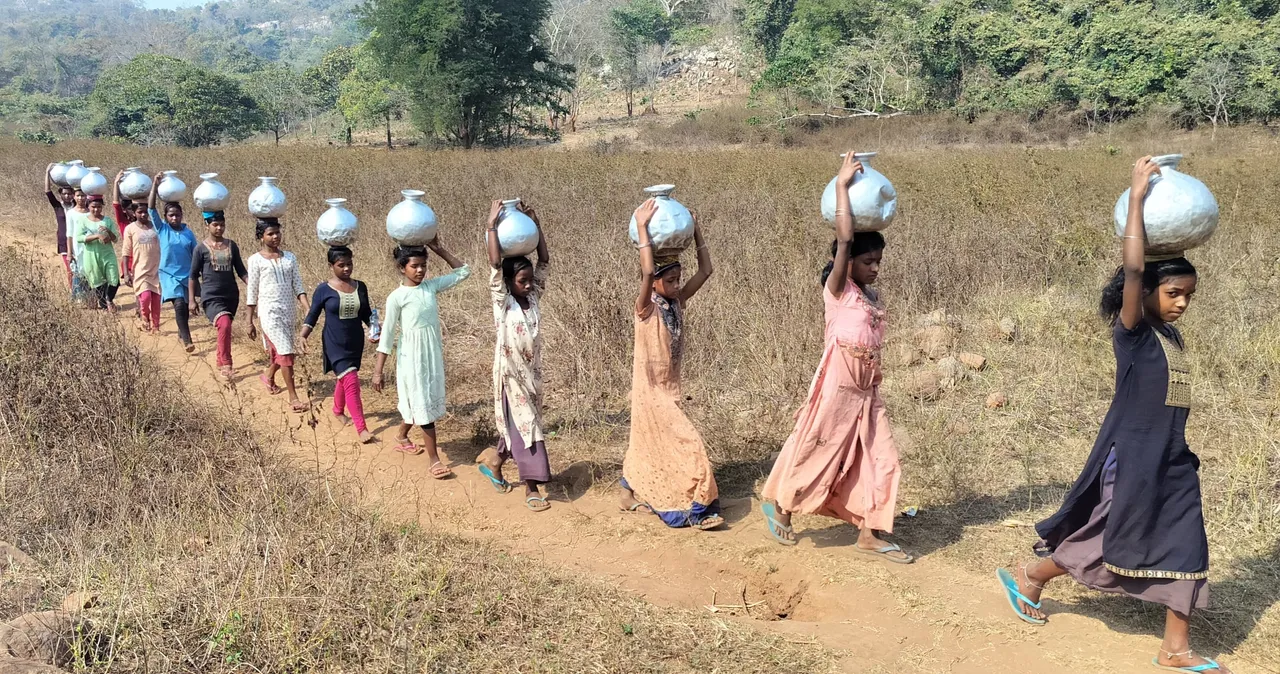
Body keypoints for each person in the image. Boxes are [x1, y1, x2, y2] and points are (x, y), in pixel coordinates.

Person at [996, 156, 1226, 674]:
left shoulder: (1171, 337)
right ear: (1142, 294)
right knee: (1106, 539)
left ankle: (1175, 649)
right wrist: (1139, 198)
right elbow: (1136, 266)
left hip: (1171, 462)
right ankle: (1032, 576)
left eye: (1189, 295)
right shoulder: (1135, 334)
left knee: (1187, 541)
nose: (1182, 304)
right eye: (1173, 294)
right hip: (1132, 463)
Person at [759, 152, 912, 562]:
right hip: (839, 384)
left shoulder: (870, 296)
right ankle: (783, 507)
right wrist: (843, 186)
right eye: (868, 261)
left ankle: (869, 532)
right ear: (845, 265)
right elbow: (845, 239)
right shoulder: (838, 290)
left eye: (878, 260)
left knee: (883, 457)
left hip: (867, 388)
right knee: (820, 447)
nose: (875, 267)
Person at [618, 199, 723, 530]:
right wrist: (642, 228)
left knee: (651, 443)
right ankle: (696, 509)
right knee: (688, 443)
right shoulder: (646, 307)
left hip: (669, 387)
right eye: (673, 280)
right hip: (651, 389)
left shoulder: (676, 302)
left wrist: (697, 232)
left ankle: (629, 492)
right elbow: (648, 271)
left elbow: (706, 271)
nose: (678, 285)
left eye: (679, 279)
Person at [476, 200, 553, 512]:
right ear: (508, 283)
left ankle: (494, 463)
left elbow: (545, 260)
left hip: (531, 373)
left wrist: (536, 223)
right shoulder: (503, 302)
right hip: (509, 375)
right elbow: (495, 266)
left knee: (517, 425)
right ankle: (531, 486)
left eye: (530, 279)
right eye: (522, 281)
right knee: (527, 427)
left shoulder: (532, 297)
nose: (528, 283)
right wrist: (492, 226)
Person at [372, 239, 470, 478]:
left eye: (423, 265)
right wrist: (378, 370)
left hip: (431, 355)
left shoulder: (431, 287)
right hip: (411, 358)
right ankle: (434, 460)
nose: (420, 270)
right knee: (422, 404)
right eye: (414, 266)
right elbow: (386, 336)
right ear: (401, 267)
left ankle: (401, 435)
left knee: (422, 400)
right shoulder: (397, 297)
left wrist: (439, 249)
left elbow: (464, 271)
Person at [301, 246, 375, 440]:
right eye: (341, 265)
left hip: (355, 341)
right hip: (334, 342)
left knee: (345, 376)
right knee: (351, 380)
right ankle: (362, 428)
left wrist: (376, 330)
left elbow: (366, 314)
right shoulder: (323, 289)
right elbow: (313, 314)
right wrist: (303, 335)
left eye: (349, 264)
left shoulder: (361, 286)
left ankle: (337, 409)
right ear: (331, 266)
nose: (346, 269)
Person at [245, 219, 309, 412]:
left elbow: (298, 285)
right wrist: (249, 320)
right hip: (269, 313)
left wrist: (307, 307)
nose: (275, 237)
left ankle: (269, 375)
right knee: (286, 353)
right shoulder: (255, 260)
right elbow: (252, 291)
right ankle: (294, 398)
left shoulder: (289, 258)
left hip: (288, 311)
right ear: (261, 237)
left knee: (285, 351)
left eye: (277, 233)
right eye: (270, 234)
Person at [189, 211, 248, 381]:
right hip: (211, 296)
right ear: (207, 225)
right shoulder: (200, 249)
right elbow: (193, 275)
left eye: (222, 224)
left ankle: (219, 357)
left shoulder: (232, 245)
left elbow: (241, 271)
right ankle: (226, 363)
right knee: (224, 324)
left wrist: (253, 286)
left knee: (225, 326)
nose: (219, 228)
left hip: (230, 295)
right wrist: (192, 300)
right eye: (215, 225)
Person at [148, 174, 198, 353]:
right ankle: (187, 340)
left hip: (186, 275)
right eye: (171, 215)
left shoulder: (188, 233)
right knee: (178, 304)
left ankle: (181, 330)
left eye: (177, 215)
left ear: (181, 215)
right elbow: (151, 208)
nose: (174, 218)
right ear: (166, 217)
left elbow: (196, 254)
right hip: (168, 274)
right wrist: (155, 185)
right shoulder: (162, 229)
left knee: (184, 307)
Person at [74, 195, 120, 312]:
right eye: (93, 207)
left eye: (99, 207)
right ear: (88, 206)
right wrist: (96, 236)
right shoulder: (83, 221)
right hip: (91, 255)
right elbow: (79, 238)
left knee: (114, 280)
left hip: (107, 254)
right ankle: (105, 305)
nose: (96, 210)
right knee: (97, 282)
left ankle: (109, 299)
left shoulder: (107, 220)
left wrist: (108, 232)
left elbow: (115, 239)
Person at [44, 164, 74, 289]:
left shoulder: (78, 206)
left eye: (69, 194)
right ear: (60, 194)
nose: (67, 196)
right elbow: (48, 192)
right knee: (70, 269)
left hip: (78, 240)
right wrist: (47, 172)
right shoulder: (57, 206)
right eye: (64, 194)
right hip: (63, 242)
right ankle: (74, 292)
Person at [66, 187, 91, 304]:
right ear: (74, 197)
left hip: (90, 247)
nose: (81, 198)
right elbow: (69, 234)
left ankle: (90, 297)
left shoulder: (91, 212)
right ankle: (78, 298)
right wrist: (70, 252)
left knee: (89, 271)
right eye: (78, 196)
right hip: (77, 248)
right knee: (77, 271)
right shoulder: (71, 213)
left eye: (83, 195)